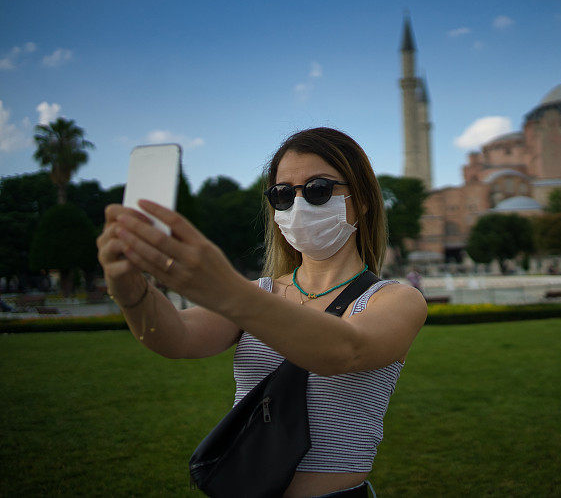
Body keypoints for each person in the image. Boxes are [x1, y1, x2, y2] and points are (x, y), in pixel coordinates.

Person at [97, 127, 427, 498]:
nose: (298, 205)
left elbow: (345, 351)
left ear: (362, 199)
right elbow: (175, 337)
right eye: (283, 194)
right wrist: (129, 288)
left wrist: (226, 289)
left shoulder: (396, 298)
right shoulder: (261, 294)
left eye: (318, 189)